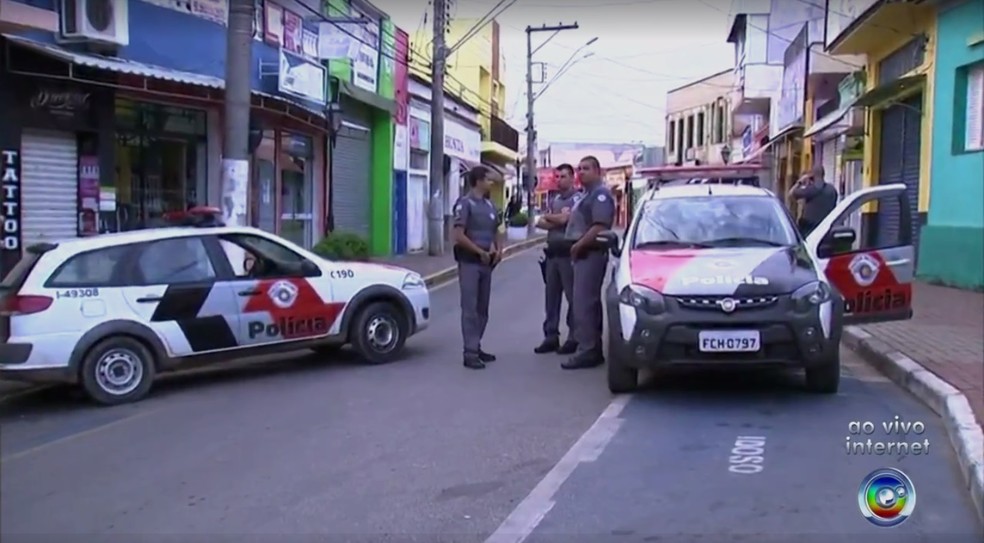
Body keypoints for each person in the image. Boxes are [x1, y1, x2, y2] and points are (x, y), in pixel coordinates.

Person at [562, 156, 615, 370]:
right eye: (579, 169)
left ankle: (589, 349)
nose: (581, 172)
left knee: (585, 303)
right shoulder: (586, 194)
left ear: (597, 171)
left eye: (586, 168)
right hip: (582, 254)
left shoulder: (600, 195)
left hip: (590, 253)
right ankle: (589, 346)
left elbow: (600, 226)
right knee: (582, 303)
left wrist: (579, 245)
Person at [452, 165, 504, 370]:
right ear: (479, 181)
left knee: (483, 308)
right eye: (488, 179)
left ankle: (476, 344)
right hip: (470, 262)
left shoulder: (489, 205)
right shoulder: (465, 204)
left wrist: (498, 249)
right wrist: (478, 251)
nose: (491, 183)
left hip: (486, 262)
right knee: (470, 308)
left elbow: (497, 229)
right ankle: (470, 351)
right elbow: (458, 235)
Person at [534, 163, 581, 355]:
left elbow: (565, 220)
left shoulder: (577, 199)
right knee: (551, 299)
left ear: (572, 178)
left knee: (573, 298)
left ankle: (574, 337)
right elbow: (541, 222)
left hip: (568, 254)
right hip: (552, 254)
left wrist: (552, 218)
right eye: (557, 177)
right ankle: (551, 336)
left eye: (563, 176)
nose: (559, 180)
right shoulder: (555, 199)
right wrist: (556, 218)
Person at [787, 165, 838, 236]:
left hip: (809, 230)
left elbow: (791, 193)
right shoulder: (832, 190)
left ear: (812, 176)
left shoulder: (810, 190)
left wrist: (800, 182)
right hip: (826, 229)